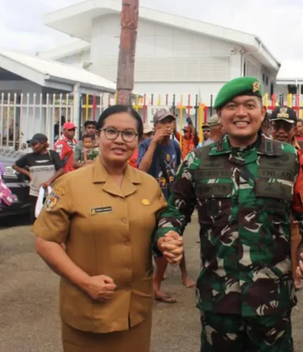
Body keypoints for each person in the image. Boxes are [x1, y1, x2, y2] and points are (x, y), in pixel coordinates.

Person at [154, 77, 303, 352]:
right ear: (220, 115)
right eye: (232, 106)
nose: (241, 113)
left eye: (250, 105)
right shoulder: (199, 160)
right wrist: (166, 234)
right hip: (218, 301)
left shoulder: (289, 158)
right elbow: (174, 210)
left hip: (272, 300)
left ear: (262, 113)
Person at [32, 105, 167, 352]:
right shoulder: (70, 185)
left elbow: (161, 229)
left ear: (138, 140)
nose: (119, 140)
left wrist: (168, 242)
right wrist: (84, 282)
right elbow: (45, 242)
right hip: (88, 310)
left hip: (136, 310)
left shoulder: (149, 185)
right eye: (111, 131)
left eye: (128, 134)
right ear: (99, 135)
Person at [137, 108, 195, 303]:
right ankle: (153, 284)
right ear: (156, 126)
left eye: (170, 122)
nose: (168, 126)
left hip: (168, 200)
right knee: (154, 242)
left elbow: (177, 170)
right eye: (163, 123)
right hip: (149, 200)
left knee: (174, 236)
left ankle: (182, 274)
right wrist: (154, 141)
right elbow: (142, 170)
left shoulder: (175, 146)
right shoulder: (146, 144)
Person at [270, 105, 303, 291]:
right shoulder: (260, 150)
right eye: (277, 127)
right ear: (270, 128)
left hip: (296, 208)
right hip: (270, 209)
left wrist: (300, 202)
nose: (281, 132)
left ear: (294, 129)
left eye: (286, 127)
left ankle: (294, 274)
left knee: (294, 241)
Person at [13, 133, 64, 222]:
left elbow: (61, 170)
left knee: (51, 217)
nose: (33, 147)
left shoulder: (52, 154)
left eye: (35, 144)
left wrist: (49, 181)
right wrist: (28, 174)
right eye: (31, 144)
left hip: (51, 192)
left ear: (43, 144)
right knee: (36, 218)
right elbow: (15, 166)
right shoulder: (29, 157)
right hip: (35, 192)